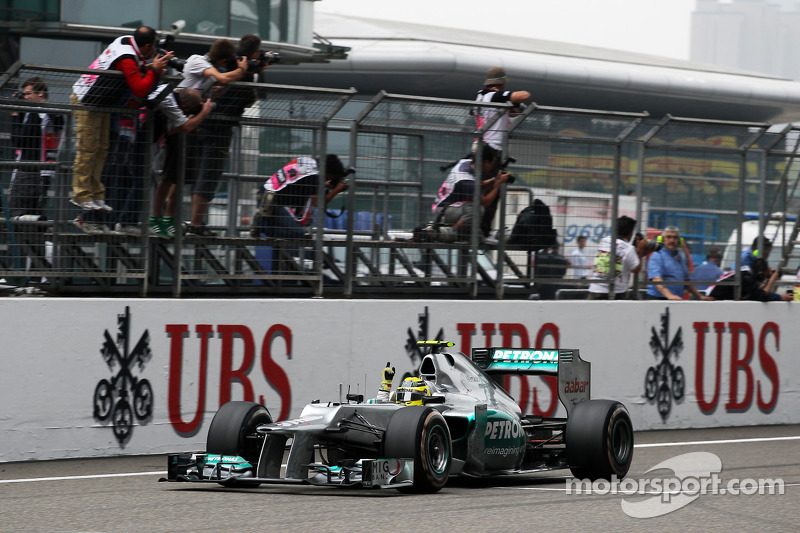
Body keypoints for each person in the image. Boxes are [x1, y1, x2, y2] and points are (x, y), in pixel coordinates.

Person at [70, 26, 171, 213]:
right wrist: (153, 71)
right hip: (87, 101)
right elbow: (139, 89)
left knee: (101, 148)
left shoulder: (127, 42)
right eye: (154, 47)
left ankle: (96, 195)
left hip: (100, 101)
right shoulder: (126, 58)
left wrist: (150, 69)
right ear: (148, 45)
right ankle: (81, 195)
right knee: (88, 148)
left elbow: (136, 72)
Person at [176, 39, 249, 236]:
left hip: (187, 121)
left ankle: (184, 223)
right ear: (224, 59)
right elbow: (223, 78)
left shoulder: (204, 70)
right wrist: (243, 70)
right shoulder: (200, 63)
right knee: (187, 176)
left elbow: (215, 88)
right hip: (181, 121)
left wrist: (216, 90)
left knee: (178, 176)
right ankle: (189, 224)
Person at [148, 87, 214, 237]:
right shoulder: (170, 100)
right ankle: (155, 218)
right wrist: (204, 112)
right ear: (185, 106)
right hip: (165, 136)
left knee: (180, 178)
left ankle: (169, 219)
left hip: (183, 134)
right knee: (167, 177)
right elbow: (183, 127)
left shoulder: (181, 96)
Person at [250, 154, 349, 240]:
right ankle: (261, 225)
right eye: (332, 177)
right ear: (329, 172)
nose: (330, 179)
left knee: (300, 226)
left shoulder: (307, 162)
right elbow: (318, 202)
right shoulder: (314, 178)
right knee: (299, 234)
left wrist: (326, 184)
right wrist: (337, 190)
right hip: (274, 203)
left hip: (266, 192)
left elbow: (298, 180)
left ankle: (261, 222)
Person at [8, 77, 64, 220]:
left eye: (28, 94)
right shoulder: (47, 112)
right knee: (33, 213)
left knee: (17, 215)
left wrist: (15, 116)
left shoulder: (38, 113)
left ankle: (37, 236)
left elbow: (19, 140)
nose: (25, 98)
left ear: (40, 93)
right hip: (40, 171)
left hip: (31, 172)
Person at [427, 145, 510, 242]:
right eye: (492, 164)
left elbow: (477, 187)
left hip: (449, 207)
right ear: (486, 162)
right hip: (444, 211)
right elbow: (486, 202)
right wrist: (498, 184)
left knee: (473, 211)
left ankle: (466, 232)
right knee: (477, 209)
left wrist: (494, 180)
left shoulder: (465, 163)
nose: (492, 168)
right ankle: (452, 231)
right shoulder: (466, 180)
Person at [587, 216, 649, 299]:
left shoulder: (604, 241)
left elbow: (618, 251)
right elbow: (636, 269)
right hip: (617, 292)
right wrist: (640, 251)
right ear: (630, 233)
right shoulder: (628, 249)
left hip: (596, 288)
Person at [646, 226, 711, 300]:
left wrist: (699, 296)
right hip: (659, 299)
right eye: (669, 237)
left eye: (675, 237)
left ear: (679, 241)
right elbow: (656, 279)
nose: (672, 240)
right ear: (663, 239)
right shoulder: (657, 255)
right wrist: (669, 295)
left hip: (676, 299)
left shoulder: (679, 257)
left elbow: (686, 281)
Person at [474, 66, 531, 151]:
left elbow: (513, 113)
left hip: (480, 142)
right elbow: (525, 95)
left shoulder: (480, 96)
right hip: (493, 145)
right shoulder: (494, 96)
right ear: (502, 83)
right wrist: (504, 96)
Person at [708, 257, 792, 301]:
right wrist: (771, 280)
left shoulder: (747, 273)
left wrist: (767, 281)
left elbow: (757, 292)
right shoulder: (747, 278)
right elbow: (762, 296)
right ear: (761, 274)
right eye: (766, 274)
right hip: (712, 298)